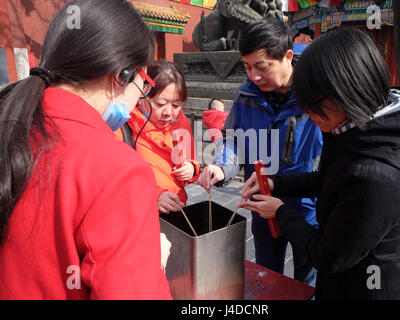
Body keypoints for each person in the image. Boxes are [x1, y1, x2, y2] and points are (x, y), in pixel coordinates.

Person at [0, 0, 172, 299]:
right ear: (122, 74)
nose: (141, 98)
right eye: (144, 83)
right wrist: (150, 267)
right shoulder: (117, 169)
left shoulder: (11, 122)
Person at [239, 28, 400, 300]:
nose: (310, 117)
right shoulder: (354, 128)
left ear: (347, 93)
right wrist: (277, 183)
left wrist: (280, 212)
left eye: (314, 108)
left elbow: (327, 256)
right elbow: (329, 178)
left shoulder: (376, 174)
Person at [197, 17, 323, 286]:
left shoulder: (316, 93)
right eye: (247, 67)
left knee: (308, 280)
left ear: (287, 57)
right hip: (262, 204)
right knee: (267, 277)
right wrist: (221, 166)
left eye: (261, 67)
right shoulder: (246, 96)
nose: (253, 76)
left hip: (308, 209)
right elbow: (233, 140)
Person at [114, 60, 200, 214]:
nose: (168, 113)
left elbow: (189, 159)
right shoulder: (122, 125)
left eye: (176, 105)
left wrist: (192, 169)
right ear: (142, 96)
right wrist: (153, 195)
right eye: (160, 104)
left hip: (176, 207)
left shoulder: (182, 122)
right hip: (142, 212)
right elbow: (116, 177)